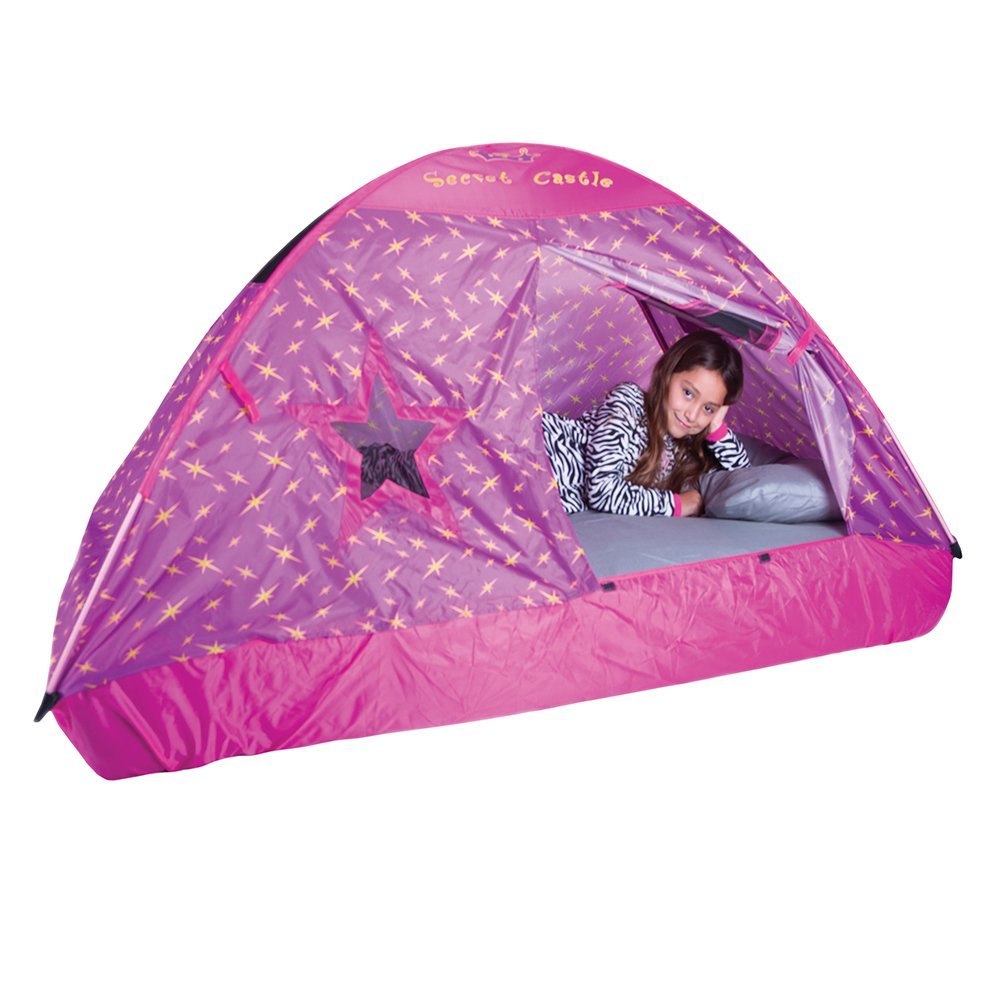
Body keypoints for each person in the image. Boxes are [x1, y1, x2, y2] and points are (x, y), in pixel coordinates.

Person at [542, 329, 751, 517]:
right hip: (537, 451)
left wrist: (717, 431)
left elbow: (747, 487)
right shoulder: (628, 401)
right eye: (688, 393)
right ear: (667, 374)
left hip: (543, 499)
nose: (692, 415)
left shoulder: (686, 455)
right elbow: (602, 490)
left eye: (708, 408)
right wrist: (678, 504)